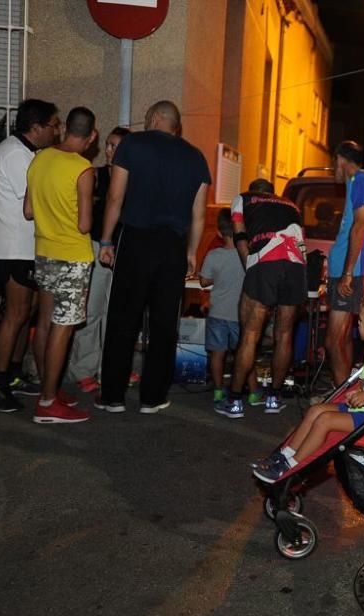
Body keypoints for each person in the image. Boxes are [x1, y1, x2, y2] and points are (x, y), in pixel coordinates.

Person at [97, 100, 211, 414]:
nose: (145, 120)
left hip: (135, 240)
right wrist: (192, 251)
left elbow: (115, 196)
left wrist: (106, 239)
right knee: (163, 325)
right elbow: (198, 215)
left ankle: (113, 396)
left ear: (156, 117)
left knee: (123, 319)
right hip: (172, 246)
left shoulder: (132, 144)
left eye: (148, 116)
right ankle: (152, 397)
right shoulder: (196, 157)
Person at [252, 292, 364, 484]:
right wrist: (360, 390)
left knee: (325, 420)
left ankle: (292, 465)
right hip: (360, 409)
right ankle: (284, 455)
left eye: (360, 320)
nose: (357, 323)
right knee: (315, 410)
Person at [0, 98, 61, 412]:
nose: (57, 131)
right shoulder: (16, 154)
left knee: (24, 313)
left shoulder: (29, 152)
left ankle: (14, 374)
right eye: (54, 124)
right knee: (15, 315)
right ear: (37, 127)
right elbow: (32, 204)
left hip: (26, 248)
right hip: (15, 248)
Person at [23, 106, 98, 424]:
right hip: (72, 256)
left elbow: (28, 210)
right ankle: (48, 402)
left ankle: (47, 389)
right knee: (62, 329)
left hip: (44, 252)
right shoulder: (83, 169)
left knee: (44, 323)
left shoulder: (39, 158)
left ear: (65, 127)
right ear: (92, 136)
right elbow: (84, 224)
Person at [215, 178, 306, 418]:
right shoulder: (292, 205)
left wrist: (250, 267)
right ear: (272, 193)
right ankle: (273, 398)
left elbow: (240, 235)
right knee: (284, 334)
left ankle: (234, 401)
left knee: (250, 335)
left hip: (266, 261)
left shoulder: (242, 198)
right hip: (296, 266)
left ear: (254, 190)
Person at [66, 126, 132, 395]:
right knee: (91, 311)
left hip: (124, 251)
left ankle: (113, 368)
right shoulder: (96, 176)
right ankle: (83, 369)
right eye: (107, 144)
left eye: (115, 146)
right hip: (95, 247)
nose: (108, 150)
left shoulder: (135, 180)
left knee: (116, 313)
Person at [324, 140, 364, 387]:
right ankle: (345, 388)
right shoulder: (354, 183)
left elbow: (360, 226)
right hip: (344, 269)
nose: (333, 168)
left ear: (341, 159)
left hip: (350, 271)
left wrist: (347, 272)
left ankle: (341, 398)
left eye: (334, 161)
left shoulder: (361, 181)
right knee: (344, 336)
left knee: (332, 340)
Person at [200, 209, 261, 407]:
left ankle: (218, 390)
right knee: (245, 353)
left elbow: (203, 281)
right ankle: (253, 392)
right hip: (241, 315)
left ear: (219, 233)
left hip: (217, 312)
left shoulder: (213, 255)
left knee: (217, 354)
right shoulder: (248, 254)